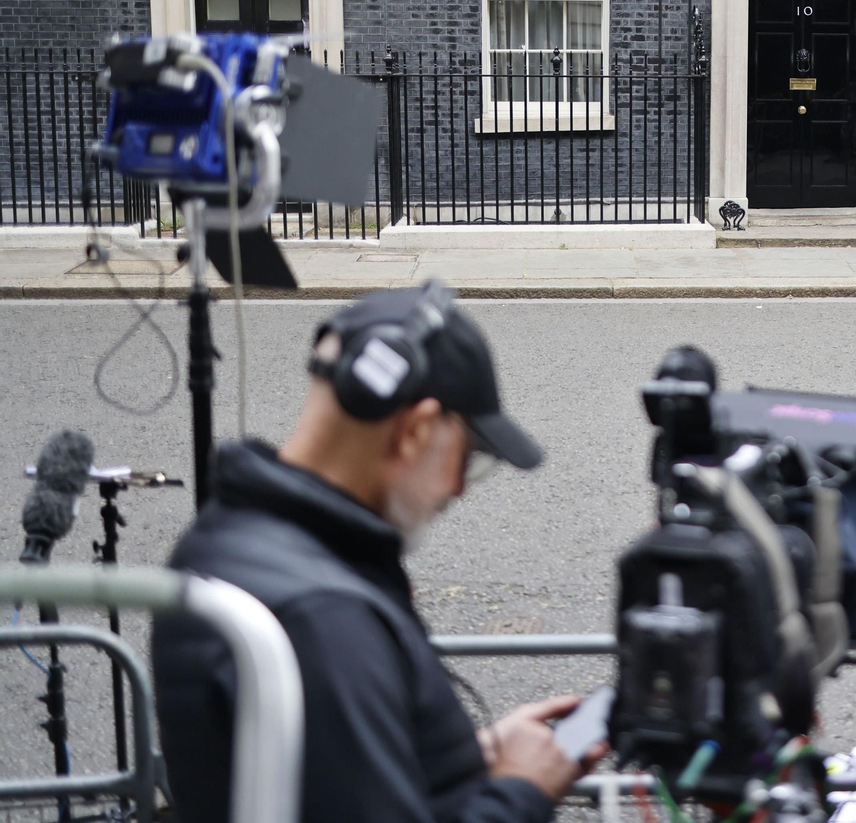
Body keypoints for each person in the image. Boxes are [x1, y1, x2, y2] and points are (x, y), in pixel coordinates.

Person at [153, 282, 602, 823]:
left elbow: (329, 778)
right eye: (469, 457)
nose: (459, 489)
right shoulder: (322, 615)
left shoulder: (234, 535)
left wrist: (455, 757)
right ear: (415, 431)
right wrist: (523, 791)